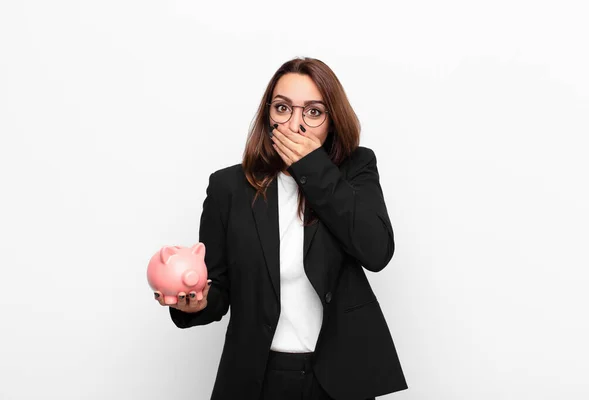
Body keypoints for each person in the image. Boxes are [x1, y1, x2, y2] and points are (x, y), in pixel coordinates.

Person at [154, 57, 408, 400]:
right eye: (283, 108)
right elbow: (218, 288)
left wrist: (313, 167)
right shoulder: (229, 187)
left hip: (337, 379)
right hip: (257, 378)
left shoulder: (355, 171)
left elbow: (376, 250)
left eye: (313, 112)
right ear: (268, 115)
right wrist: (195, 303)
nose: (295, 124)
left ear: (332, 121)